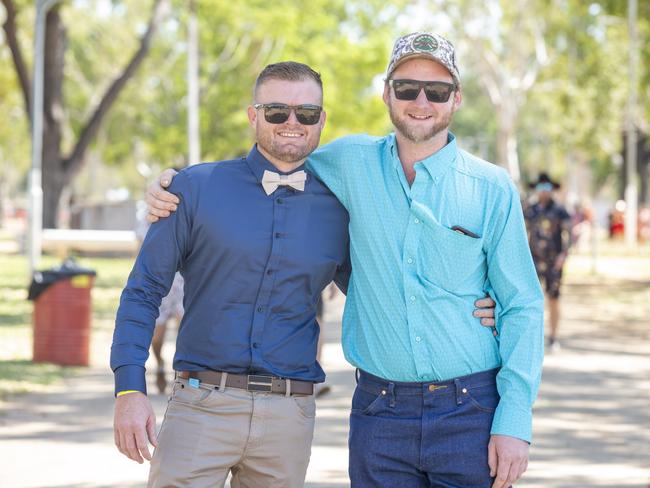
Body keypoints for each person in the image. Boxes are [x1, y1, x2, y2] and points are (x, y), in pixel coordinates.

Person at [148, 32, 540, 488]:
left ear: (456, 99)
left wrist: (514, 420)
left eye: (436, 91)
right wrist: (172, 185)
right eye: (407, 87)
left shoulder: (491, 189)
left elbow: (523, 306)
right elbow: (277, 156)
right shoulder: (344, 163)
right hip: (379, 415)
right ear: (387, 94)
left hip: (471, 410)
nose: (421, 101)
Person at [135, 203, 185, 394]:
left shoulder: (195, 211)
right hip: (159, 283)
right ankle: (160, 364)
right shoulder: (150, 213)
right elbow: (140, 249)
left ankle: (182, 373)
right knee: (157, 336)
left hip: (185, 282)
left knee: (187, 330)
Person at [525, 173, 571, 352]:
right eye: (541, 188)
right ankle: (533, 338)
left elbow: (568, 235)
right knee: (531, 300)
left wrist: (563, 256)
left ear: (552, 190)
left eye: (547, 188)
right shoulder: (530, 210)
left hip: (554, 262)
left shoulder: (560, 210)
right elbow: (521, 233)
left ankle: (553, 337)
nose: (544, 191)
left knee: (553, 298)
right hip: (533, 261)